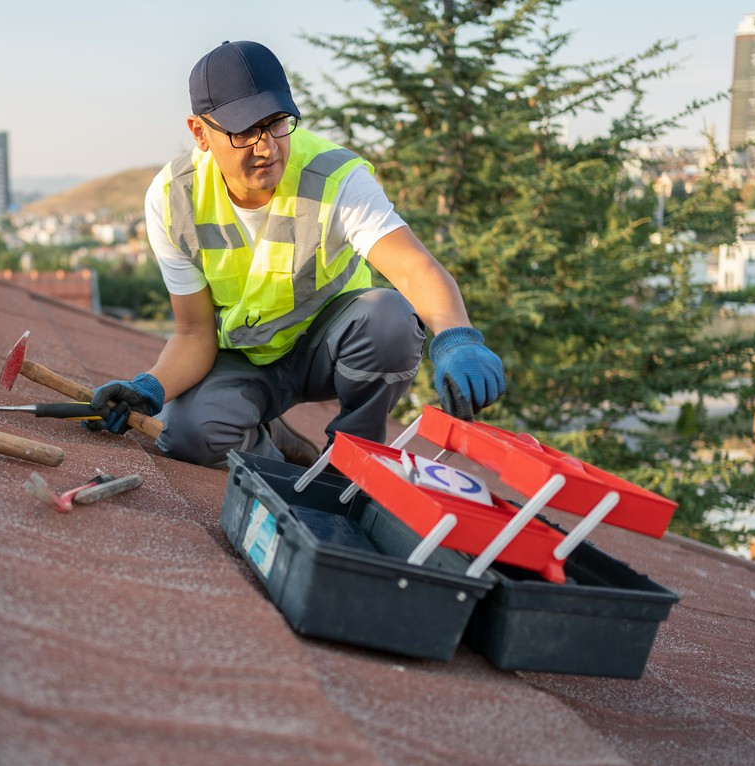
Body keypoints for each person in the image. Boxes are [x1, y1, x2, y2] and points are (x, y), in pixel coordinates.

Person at [87, 40, 505, 468]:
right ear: (200, 133)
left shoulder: (335, 176)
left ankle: (350, 461)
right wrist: (150, 389)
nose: (267, 147)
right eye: (244, 131)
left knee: (391, 318)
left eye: (276, 123)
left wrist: (457, 339)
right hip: (246, 359)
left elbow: (415, 269)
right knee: (189, 435)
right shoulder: (173, 199)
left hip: (330, 351)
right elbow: (194, 333)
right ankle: (287, 464)